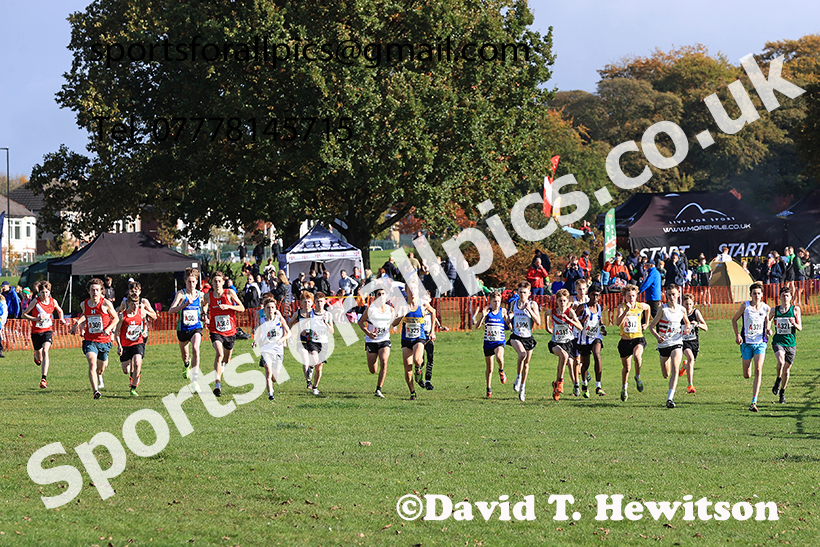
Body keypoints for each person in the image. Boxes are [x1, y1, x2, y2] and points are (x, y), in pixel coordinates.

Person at [70, 278, 120, 399]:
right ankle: (96, 391)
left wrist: (108, 329)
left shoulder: (106, 303)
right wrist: (77, 325)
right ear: (89, 291)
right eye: (93, 290)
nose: (95, 292)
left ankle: (99, 375)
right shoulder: (84, 304)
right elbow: (85, 315)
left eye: (97, 290)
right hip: (90, 340)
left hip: (104, 340)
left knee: (101, 368)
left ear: (101, 291)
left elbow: (116, 318)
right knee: (92, 363)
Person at [731, 281, 772, 412]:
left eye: (759, 293)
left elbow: (768, 320)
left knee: (759, 369)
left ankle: (754, 400)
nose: (757, 296)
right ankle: (746, 369)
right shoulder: (745, 306)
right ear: (750, 294)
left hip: (760, 343)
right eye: (754, 293)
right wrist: (738, 335)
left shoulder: (766, 308)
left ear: (762, 294)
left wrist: (768, 329)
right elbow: (734, 320)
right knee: (747, 374)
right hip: (746, 343)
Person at [392, 283, 436, 400]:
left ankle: (419, 369)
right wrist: (402, 315)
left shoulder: (422, 303)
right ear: (406, 291)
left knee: (417, 360)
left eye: (415, 289)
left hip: (419, 337)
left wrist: (432, 331)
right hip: (406, 339)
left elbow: (433, 311)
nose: (412, 292)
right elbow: (394, 323)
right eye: (410, 289)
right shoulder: (402, 305)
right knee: (407, 370)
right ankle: (412, 393)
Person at [649, 284, 690, 409]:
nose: (671, 297)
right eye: (669, 295)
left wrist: (687, 329)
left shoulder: (682, 309)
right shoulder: (663, 309)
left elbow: (687, 322)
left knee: (675, 368)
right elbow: (651, 327)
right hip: (664, 344)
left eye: (673, 294)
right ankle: (670, 390)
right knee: (666, 374)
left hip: (677, 341)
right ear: (666, 296)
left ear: (678, 294)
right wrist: (658, 337)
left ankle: (670, 399)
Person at [206, 271, 245, 397]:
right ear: (211, 283)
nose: (217, 283)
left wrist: (228, 307)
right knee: (219, 353)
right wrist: (204, 316)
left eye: (219, 281)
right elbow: (203, 306)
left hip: (230, 331)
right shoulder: (208, 295)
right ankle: (217, 385)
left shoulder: (229, 293)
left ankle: (223, 365)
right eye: (215, 281)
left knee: (227, 359)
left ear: (223, 282)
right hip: (215, 330)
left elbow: (242, 308)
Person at [115, 283, 158, 396]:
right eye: (132, 289)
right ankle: (133, 374)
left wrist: (144, 313)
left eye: (136, 289)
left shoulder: (144, 302)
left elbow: (154, 316)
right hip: (125, 337)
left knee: (137, 361)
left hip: (139, 337)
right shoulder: (125, 303)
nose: (134, 291)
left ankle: (134, 383)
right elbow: (120, 313)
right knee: (127, 368)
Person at [168, 268, 206, 393]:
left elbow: (205, 306)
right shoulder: (181, 294)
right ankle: (186, 365)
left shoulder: (200, 295)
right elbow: (171, 310)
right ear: (185, 281)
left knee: (196, 349)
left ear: (197, 282)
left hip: (196, 327)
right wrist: (183, 305)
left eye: (193, 282)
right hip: (183, 329)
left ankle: (195, 381)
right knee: (185, 356)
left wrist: (205, 314)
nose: (191, 284)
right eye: (189, 282)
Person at [22, 281, 66, 388]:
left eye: (46, 292)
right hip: (36, 332)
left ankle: (43, 379)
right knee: (39, 356)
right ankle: (36, 356)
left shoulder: (53, 301)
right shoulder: (35, 302)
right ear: (39, 293)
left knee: (46, 350)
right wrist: (35, 319)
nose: (44, 295)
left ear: (49, 292)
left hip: (47, 330)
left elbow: (60, 311)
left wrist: (61, 319)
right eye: (42, 292)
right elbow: (23, 314)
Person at [615, 284, 651, 402]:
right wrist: (626, 311)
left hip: (638, 338)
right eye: (629, 296)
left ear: (636, 296)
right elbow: (618, 323)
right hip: (625, 341)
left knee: (637, 356)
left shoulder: (640, 306)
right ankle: (624, 388)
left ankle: (638, 377)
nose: (631, 298)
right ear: (625, 297)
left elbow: (648, 308)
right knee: (626, 368)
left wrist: (646, 323)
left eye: (633, 296)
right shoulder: (622, 307)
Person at [508, 281, 541, 402]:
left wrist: (529, 310)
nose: (522, 295)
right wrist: (509, 318)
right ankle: (517, 377)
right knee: (522, 354)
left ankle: (522, 388)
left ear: (529, 293)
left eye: (524, 292)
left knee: (526, 363)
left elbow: (538, 322)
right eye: (520, 292)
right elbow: (510, 315)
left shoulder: (533, 304)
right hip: (516, 336)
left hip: (528, 337)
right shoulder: (513, 303)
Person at [547, 288, 583, 402]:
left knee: (564, 359)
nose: (562, 303)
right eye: (560, 301)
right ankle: (561, 381)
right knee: (564, 356)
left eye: (564, 300)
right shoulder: (553, 312)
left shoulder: (570, 312)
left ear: (567, 301)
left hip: (568, 343)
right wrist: (548, 327)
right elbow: (546, 313)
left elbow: (580, 327)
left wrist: (569, 320)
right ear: (556, 301)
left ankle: (557, 386)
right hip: (555, 342)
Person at [358, 287, 394, 398]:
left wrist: (401, 317)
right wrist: (368, 333)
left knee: (384, 361)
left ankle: (378, 389)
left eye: (384, 294)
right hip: (371, 341)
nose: (381, 296)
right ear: (375, 297)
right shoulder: (371, 309)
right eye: (379, 294)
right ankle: (376, 355)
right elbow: (360, 322)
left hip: (384, 340)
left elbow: (394, 323)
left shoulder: (390, 309)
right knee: (373, 370)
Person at [769, 286, 802, 404]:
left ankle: (782, 392)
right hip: (778, 341)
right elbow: (768, 320)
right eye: (783, 295)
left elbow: (800, 328)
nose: (785, 297)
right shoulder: (775, 310)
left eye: (787, 295)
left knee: (787, 371)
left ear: (791, 297)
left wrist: (794, 323)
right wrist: (768, 329)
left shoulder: (795, 310)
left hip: (791, 343)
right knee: (781, 361)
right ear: (780, 297)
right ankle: (778, 379)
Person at [254, 295, 291, 401]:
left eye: (272, 307)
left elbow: (288, 333)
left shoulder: (279, 319)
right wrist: (255, 342)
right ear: (264, 310)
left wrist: (282, 339)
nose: (270, 309)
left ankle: (271, 386)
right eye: (268, 308)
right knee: (268, 371)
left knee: (275, 377)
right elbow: (258, 333)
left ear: (275, 309)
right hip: (266, 349)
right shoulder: (262, 321)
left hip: (278, 350)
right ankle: (270, 394)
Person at [473, 290, 509, 398]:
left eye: (498, 301)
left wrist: (511, 324)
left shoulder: (503, 311)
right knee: (489, 368)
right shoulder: (486, 311)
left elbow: (508, 323)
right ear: (490, 301)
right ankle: (488, 388)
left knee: (499, 357)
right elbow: (477, 327)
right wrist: (482, 316)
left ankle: (501, 370)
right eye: (494, 301)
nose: (496, 304)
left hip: (499, 341)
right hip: (488, 342)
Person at [576, 284, 607, 397]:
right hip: (584, 339)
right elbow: (573, 320)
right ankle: (584, 385)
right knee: (585, 365)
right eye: (593, 295)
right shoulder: (582, 307)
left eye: (597, 296)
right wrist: (582, 321)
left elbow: (600, 319)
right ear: (589, 295)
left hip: (595, 337)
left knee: (597, 354)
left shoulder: (599, 307)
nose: (595, 298)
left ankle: (598, 386)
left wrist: (602, 328)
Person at [680, 293, 708, 394]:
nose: (688, 307)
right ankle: (690, 385)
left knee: (691, 362)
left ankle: (685, 366)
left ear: (693, 304)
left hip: (694, 342)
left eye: (690, 304)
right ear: (682, 304)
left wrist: (698, 324)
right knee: (690, 358)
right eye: (686, 304)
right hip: (683, 342)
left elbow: (706, 327)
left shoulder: (696, 313)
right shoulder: (679, 313)